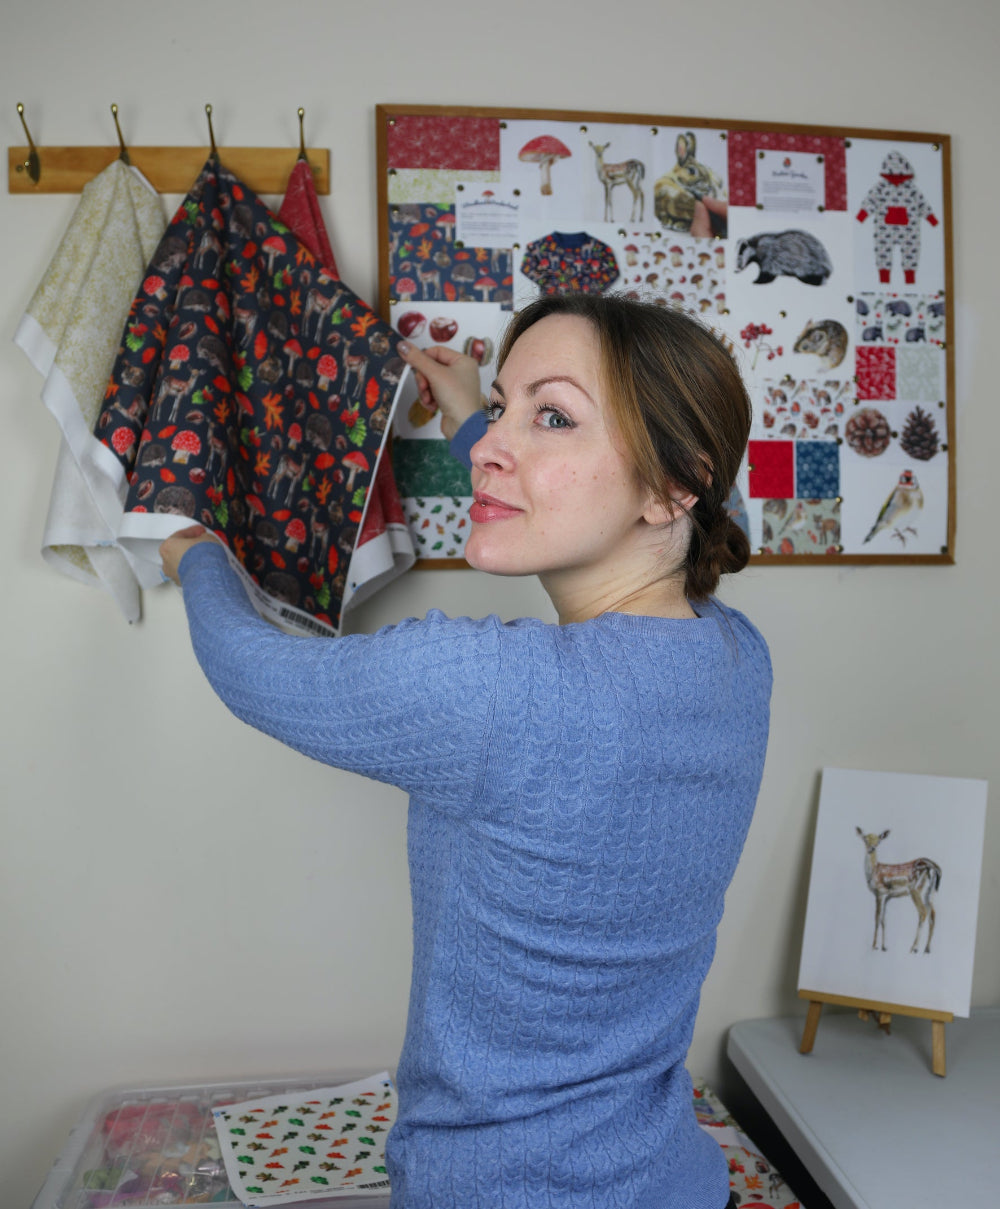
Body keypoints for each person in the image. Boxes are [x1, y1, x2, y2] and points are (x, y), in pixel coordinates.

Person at [161, 294, 771, 1209]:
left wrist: (196, 555)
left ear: (673, 486)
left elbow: (248, 665)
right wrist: (468, 415)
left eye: (552, 415)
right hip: (671, 1182)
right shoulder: (737, 656)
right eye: (506, 404)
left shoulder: (487, 691)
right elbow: (560, 495)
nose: (493, 446)